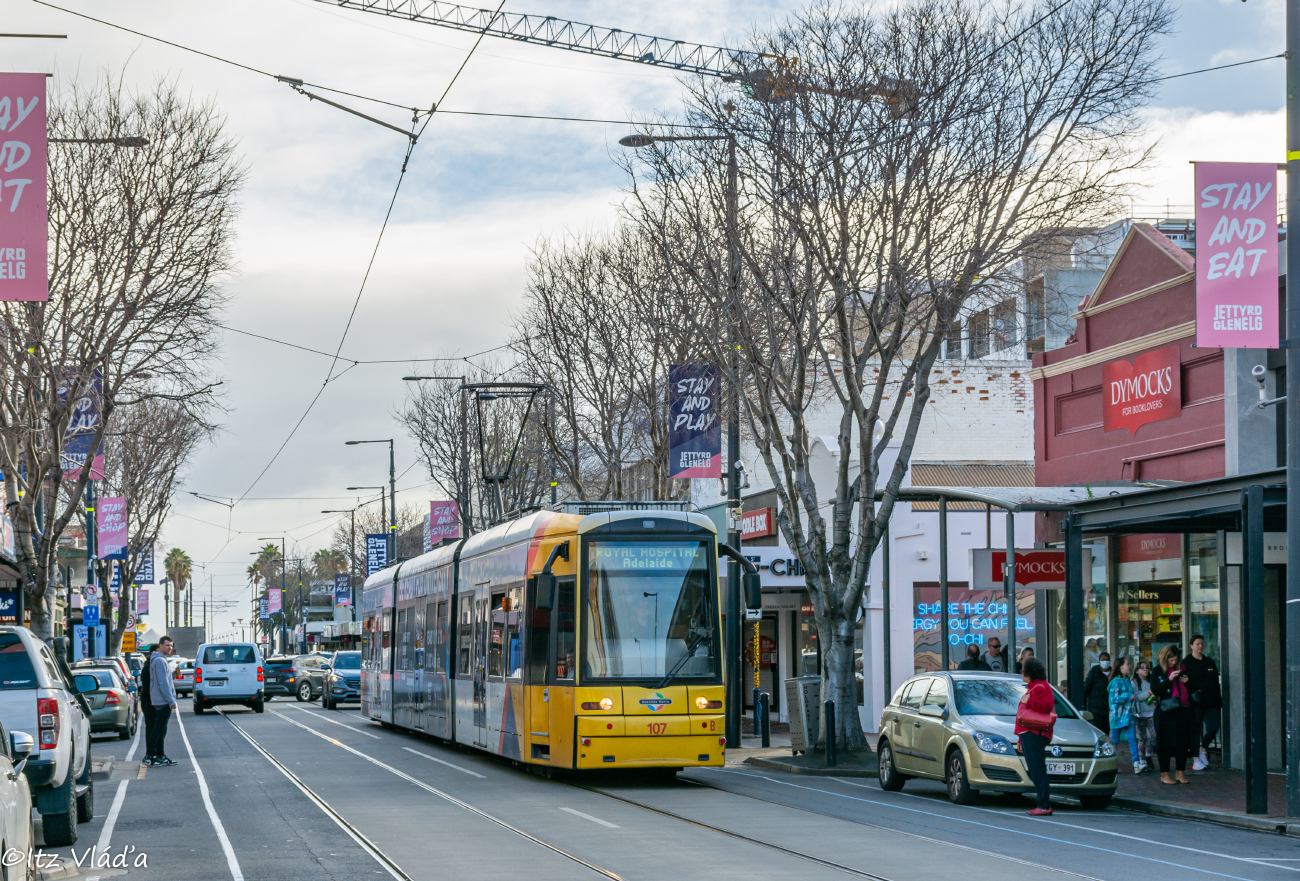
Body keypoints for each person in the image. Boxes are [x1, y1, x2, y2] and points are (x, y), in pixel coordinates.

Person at [1015, 656, 1056, 816]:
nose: (1021, 672)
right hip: (1030, 734)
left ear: (1030, 673)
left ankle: (1044, 804)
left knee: (1037, 770)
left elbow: (1047, 706)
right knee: (1036, 769)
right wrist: (1019, 737)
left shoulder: (1039, 688)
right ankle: (1043, 803)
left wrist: (1029, 700)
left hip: (1035, 734)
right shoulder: (1035, 687)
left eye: (1023, 670)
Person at [1153, 645, 1195, 785]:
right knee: (1165, 744)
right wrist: (1168, 679)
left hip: (1183, 711)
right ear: (1165, 658)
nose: (1173, 662)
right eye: (1171, 660)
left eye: (1175, 660)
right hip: (1166, 712)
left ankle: (1180, 773)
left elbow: (1193, 688)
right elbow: (1156, 690)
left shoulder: (1183, 669)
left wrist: (1188, 682)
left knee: (1182, 743)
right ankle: (1164, 774)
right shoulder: (1158, 670)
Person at [1182, 634, 1222, 771]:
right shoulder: (1186, 663)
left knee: (1213, 727)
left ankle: (1203, 749)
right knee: (1195, 730)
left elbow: (1215, 682)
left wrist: (1218, 700)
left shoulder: (1209, 662)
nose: (1200, 646)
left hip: (1211, 701)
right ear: (1191, 646)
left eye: (1201, 644)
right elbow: (1184, 684)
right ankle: (1196, 758)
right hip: (1195, 702)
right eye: (1197, 644)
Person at [146, 637, 178, 767]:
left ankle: (160, 755)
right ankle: (149, 756)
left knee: (161, 729)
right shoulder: (159, 661)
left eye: (171, 645)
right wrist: (170, 700)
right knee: (158, 729)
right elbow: (163, 683)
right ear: (160, 646)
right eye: (166, 645)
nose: (169, 648)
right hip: (162, 700)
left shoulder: (160, 660)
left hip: (160, 699)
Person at [1107, 657, 1137, 771]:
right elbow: (1114, 698)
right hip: (1117, 717)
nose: (1129, 666)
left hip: (1128, 715)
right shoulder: (1115, 682)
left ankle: (1136, 763)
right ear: (1121, 667)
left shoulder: (1127, 680)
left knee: (1132, 739)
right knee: (1114, 741)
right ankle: (1111, 763)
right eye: (1127, 664)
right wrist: (1128, 696)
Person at [1131, 660, 1157, 772]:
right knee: (1142, 737)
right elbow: (1136, 697)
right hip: (1140, 714)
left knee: (1155, 735)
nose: (1145, 669)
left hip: (1152, 713)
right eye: (1142, 668)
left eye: (1147, 667)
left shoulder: (1152, 681)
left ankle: (1147, 754)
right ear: (1137, 671)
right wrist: (1148, 693)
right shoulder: (1134, 683)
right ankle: (1142, 760)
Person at [1081, 651, 1111, 731]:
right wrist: (1083, 706)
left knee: (1106, 730)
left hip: (1108, 708)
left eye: (1107, 660)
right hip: (1096, 709)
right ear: (1099, 661)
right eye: (1103, 659)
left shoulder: (1112, 672)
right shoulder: (1094, 672)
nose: (1105, 662)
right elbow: (1086, 688)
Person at [138, 644, 156, 760]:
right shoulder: (148, 666)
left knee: (153, 726)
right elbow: (148, 685)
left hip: (151, 700)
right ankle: (150, 753)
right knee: (151, 726)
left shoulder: (151, 665)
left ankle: (152, 752)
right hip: (149, 701)